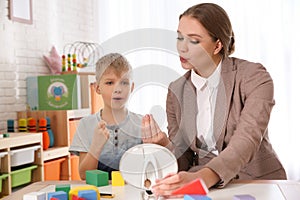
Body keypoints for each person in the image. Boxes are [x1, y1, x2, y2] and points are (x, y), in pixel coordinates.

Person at [142, 3, 287, 196]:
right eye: (179, 37)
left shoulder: (254, 77)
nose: (182, 48)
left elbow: (247, 139)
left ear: (217, 45)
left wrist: (203, 177)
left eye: (193, 41)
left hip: (256, 182)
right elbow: (184, 157)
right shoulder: (176, 90)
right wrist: (163, 145)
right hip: (206, 188)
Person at [69, 53, 142, 180]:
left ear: (132, 87)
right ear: (97, 88)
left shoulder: (142, 124)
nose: (118, 89)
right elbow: (83, 175)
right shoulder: (86, 125)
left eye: (124, 83)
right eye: (109, 83)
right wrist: (96, 146)